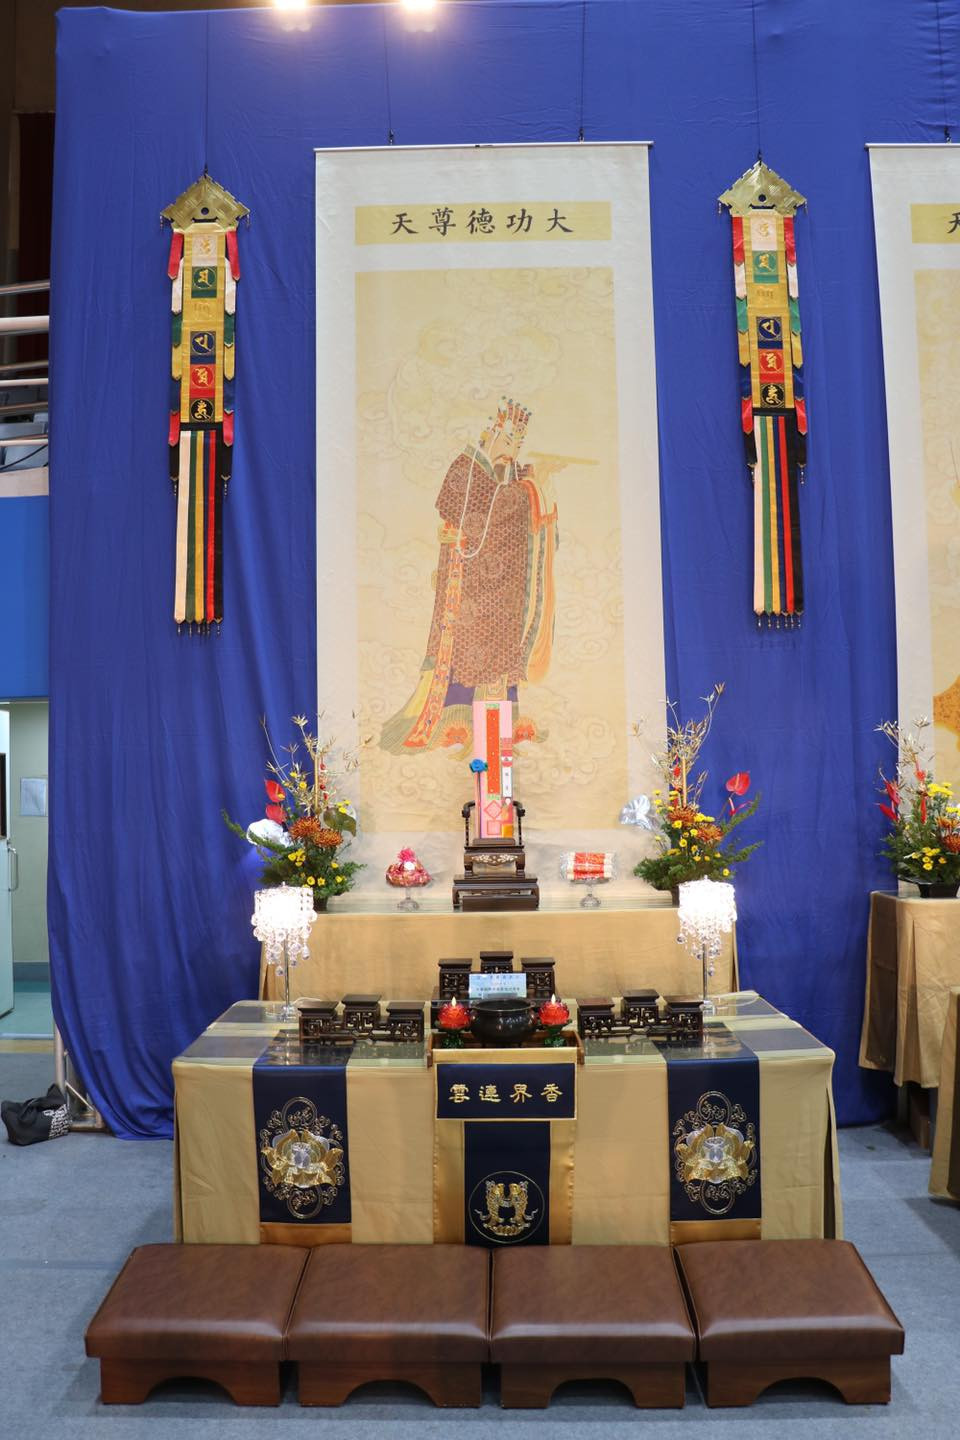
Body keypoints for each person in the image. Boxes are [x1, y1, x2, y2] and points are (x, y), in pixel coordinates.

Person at [381, 398, 558, 755]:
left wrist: (529, 479)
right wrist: (534, 487)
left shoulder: (494, 472)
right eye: (508, 441)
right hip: (468, 589)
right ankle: (458, 726)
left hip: (496, 590)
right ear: (490, 434)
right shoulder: (465, 470)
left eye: (518, 444)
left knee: (501, 658)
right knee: (466, 659)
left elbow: (500, 499)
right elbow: (490, 512)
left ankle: (499, 736)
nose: (512, 450)